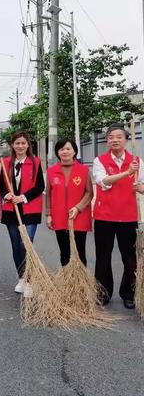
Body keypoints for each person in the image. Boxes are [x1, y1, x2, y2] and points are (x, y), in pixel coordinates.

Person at [93, 123, 144, 309]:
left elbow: (143, 186)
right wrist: (127, 172)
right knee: (103, 257)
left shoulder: (137, 160)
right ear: (107, 140)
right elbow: (103, 181)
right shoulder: (100, 160)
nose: (114, 140)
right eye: (111, 137)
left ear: (126, 139)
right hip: (104, 216)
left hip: (129, 216)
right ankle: (103, 293)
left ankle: (128, 293)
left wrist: (140, 188)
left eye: (118, 137)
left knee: (130, 258)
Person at [0, 132, 44, 295]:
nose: (20, 146)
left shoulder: (36, 162)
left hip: (29, 209)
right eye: (17, 143)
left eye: (23, 143)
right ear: (12, 145)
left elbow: (40, 186)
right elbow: (1, 185)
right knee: (15, 245)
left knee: (26, 244)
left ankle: (29, 279)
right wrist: (7, 195)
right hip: (11, 211)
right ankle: (21, 279)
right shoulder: (5, 163)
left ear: (28, 145)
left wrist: (23, 197)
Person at [46, 139, 93, 267]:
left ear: (74, 151)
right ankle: (67, 283)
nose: (65, 151)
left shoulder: (84, 170)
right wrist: (48, 214)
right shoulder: (51, 171)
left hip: (79, 216)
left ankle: (81, 283)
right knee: (64, 252)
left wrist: (78, 208)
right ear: (57, 152)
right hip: (59, 217)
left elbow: (89, 193)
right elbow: (48, 194)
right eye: (61, 149)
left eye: (68, 149)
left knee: (79, 252)